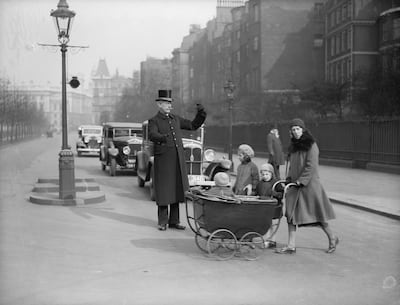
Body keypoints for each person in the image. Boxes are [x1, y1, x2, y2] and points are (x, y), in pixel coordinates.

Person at [275, 118, 338, 254]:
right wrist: (289, 179)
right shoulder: (293, 147)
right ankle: (291, 246)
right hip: (295, 186)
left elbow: (311, 165)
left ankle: (332, 238)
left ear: (303, 130)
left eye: (298, 129)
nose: (296, 132)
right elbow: (292, 166)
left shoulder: (311, 145)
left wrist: (301, 180)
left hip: (309, 186)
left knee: (318, 216)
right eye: (293, 130)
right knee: (290, 215)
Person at [148, 89, 207, 231]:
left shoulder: (175, 118)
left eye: (170, 103)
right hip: (163, 159)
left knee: (175, 188)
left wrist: (201, 113)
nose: (170, 106)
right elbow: (152, 134)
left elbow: (193, 125)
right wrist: (162, 137)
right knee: (164, 190)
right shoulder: (154, 121)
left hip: (176, 159)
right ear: (159, 104)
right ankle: (162, 222)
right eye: (167, 103)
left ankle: (174, 221)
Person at [255, 163, 283, 248]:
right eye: (263, 174)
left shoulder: (276, 183)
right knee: (266, 224)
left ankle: (272, 240)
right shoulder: (260, 183)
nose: (265, 176)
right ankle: (267, 239)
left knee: (271, 225)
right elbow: (257, 192)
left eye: (267, 174)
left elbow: (281, 193)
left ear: (271, 173)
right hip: (263, 206)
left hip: (273, 207)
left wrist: (275, 194)